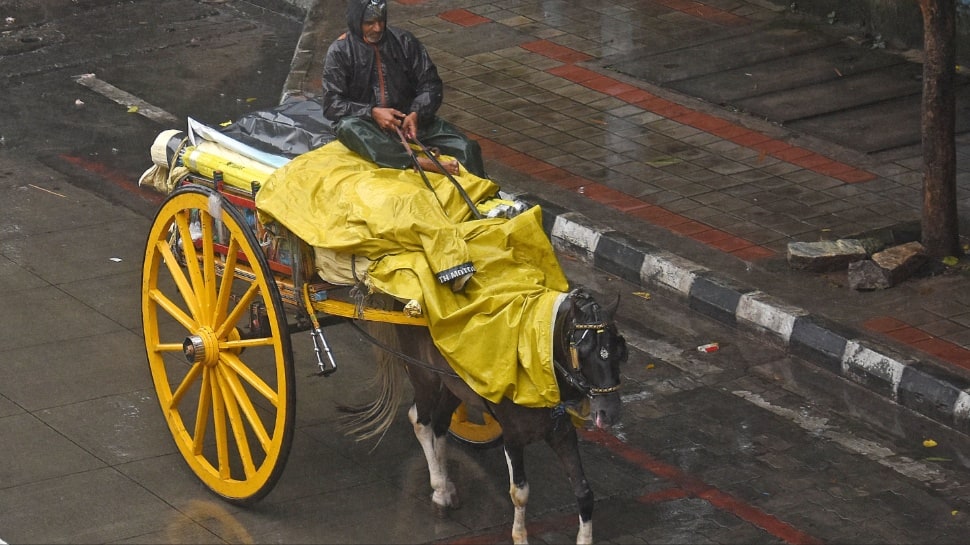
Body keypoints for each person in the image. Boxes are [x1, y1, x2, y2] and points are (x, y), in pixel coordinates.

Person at [322, 0, 488, 179]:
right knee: (347, 127)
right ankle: (416, 161)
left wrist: (416, 113)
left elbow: (431, 84)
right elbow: (332, 104)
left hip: (411, 122)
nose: (377, 28)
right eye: (369, 23)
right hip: (370, 126)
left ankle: (488, 199)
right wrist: (372, 113)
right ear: (356, 22)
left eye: (381, 21)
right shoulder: (340, 51)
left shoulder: (404, 41)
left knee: (467, 147)